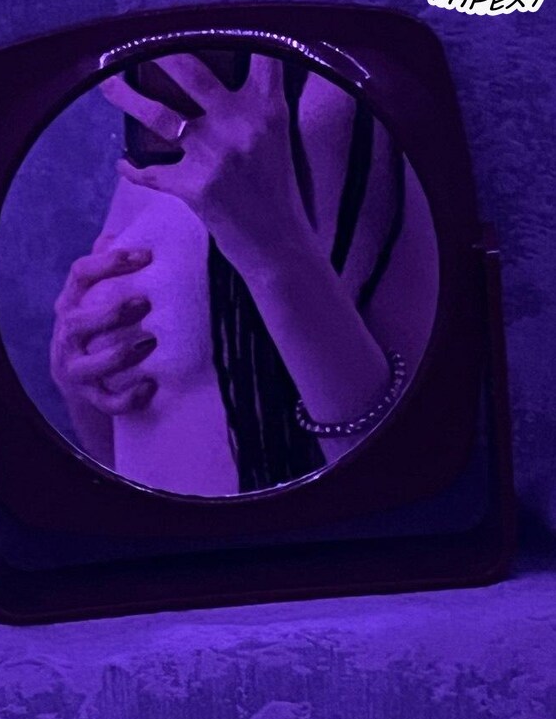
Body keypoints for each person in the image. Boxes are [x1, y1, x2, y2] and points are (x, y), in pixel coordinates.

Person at [50, 52, 438, 496]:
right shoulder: (158, 130)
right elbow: (130, 452)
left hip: (299, 540)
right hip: (148, 538)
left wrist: (271, 249)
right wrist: (77, 380)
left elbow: (396, 477)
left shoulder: (334, 105)